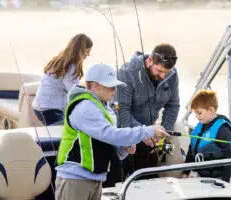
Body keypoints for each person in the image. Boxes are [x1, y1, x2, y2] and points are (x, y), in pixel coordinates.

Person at [55, 63, 169, 200]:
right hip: (75, 181)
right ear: (96, 86)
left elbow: (107, 139)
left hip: (94, 179)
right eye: (110, 86)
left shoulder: (102, 107)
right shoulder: (85, 107)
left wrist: (124, 147)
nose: (114, 90)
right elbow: (110, 134)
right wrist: (148, 131)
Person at [113, 43, 180, 181]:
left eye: (166, 73)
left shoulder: (172, 75)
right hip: (125, 137)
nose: (163, 76)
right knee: (121, 183)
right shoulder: (126, 73)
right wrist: (144, 133)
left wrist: (163, 132)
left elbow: (173, 106)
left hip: (150, 139)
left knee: (149, 182)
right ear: (149, 60)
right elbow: (122, 112)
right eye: (159, 71)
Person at [32, 33, 93, 125]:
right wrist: (95, 96)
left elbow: (71, 86)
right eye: (87, 51)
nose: (88, 55)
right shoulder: (71, 67)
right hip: (50, 111)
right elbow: (75, 92)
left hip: (39, 108)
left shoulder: (59, 61)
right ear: (80, 51)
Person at [181, 89, 231, 182]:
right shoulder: (199, 128)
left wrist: (226, 182)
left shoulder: (222, 130)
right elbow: (191, 152)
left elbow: (230, 158)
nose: (197, 117)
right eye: (195, 113)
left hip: (218, 178)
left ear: (210, 110)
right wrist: (185, 172)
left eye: (199, 113)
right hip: (200, 175)